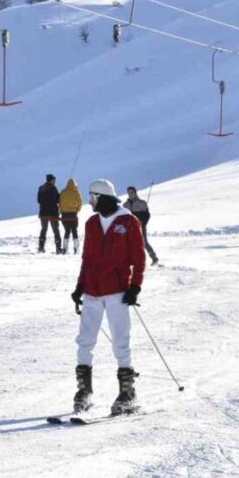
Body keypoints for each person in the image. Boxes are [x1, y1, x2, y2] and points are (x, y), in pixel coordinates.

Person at [70, 179, 147, 416]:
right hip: (92, 290)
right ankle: (84, 392)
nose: (89, 201)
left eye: (92, 197)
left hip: (117, 291)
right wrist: (80, 286)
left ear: (101, 197)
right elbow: (87, 258)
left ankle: (128, 393)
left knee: (120, 341)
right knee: (85, 341)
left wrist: (135, 286)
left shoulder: (128, 221)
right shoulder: (92, 223)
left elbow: (139, 257)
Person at [124, 186, 159, 264]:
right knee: (128, 243)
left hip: (141, 226)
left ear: (135, 193)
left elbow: (147, 215)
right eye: (128, 192)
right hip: (129, 228)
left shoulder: (142, 203)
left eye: (131, 192)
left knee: (143, 242)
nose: (130, 194)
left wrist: (143, 224)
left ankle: (154, 258)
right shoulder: (125, 205)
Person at [37, 173, 63, 254]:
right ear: (51, 180)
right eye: (54, 180)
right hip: (52, 213)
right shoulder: (53, 188)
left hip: (43, 213)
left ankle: (41, 248)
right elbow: (58, 200)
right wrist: (59, 195)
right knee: (56, 230)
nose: (55, 182)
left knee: (43, 230)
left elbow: (39, 200)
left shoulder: (41, 188)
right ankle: (58, 249)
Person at [60, 178, 82, 254]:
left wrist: (62, 210)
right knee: (74, 231)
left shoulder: (62, 192)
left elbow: (59, 203)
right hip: (73, 215)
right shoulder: (76, 192)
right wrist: (77, 210)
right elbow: (80, 203)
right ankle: (76, 249)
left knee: (67, 231)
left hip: (64, 215)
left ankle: (65, 249)